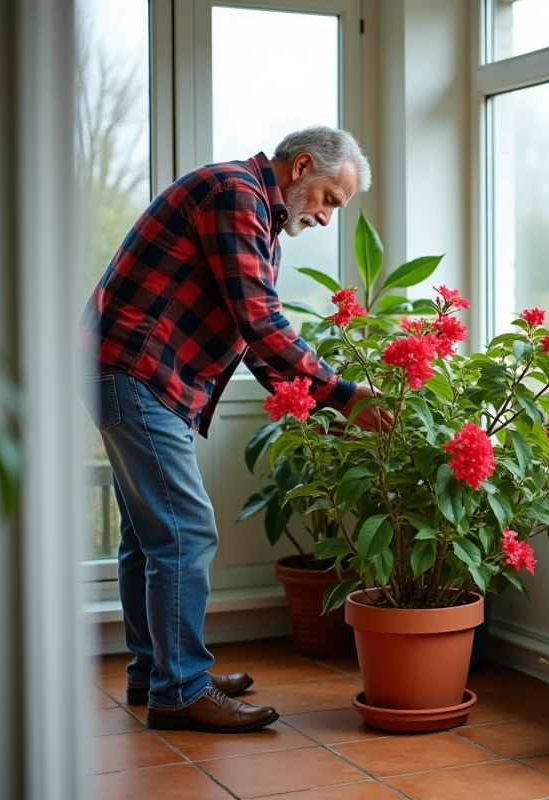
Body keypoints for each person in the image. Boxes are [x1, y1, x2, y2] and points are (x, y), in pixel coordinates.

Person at [80, 126, 385, 733]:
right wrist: (345, 396)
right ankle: (181, 689)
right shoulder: (235, 195)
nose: (328, 218)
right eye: (329, 199)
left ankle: (156, 672)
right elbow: (262, 320)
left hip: (127, 371)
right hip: (138, 371)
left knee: (148, 537)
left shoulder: (258, 216)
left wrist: (313, 404)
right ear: (302, 167)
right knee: (185, 531)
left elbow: (250, 336)